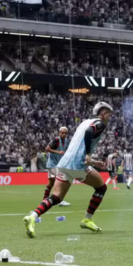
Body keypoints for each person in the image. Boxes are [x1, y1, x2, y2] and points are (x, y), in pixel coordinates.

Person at [22, 102, 113, 238]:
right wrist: (89, 155)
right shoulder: (99, 123)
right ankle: (87, 219)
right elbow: (89, 133)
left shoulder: (84, 123)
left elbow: (78, 145)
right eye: (109, 114)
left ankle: (32, 217)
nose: (109, 117)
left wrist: (93, 162)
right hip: (77, 164)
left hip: (64, 163)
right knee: (101, 187)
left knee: (57, 196)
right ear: (103, 113)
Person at [44, 127, 71, 206]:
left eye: (65, 133)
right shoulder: (56, 140)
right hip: (53, 164)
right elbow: (47, 149)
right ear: (59, 133)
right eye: (62, 133)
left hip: (58, 165)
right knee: (60, 181)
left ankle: (45, 199)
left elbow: (65, 151)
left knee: (51, 183)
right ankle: (60, 200)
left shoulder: (66, 141)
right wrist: (58, 152)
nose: (64, 134)